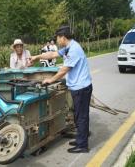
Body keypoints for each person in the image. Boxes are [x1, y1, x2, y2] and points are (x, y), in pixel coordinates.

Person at [30, 25, 92, 153]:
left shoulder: (74, 49)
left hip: (81, 88)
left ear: (63, 37)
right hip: (78, 87)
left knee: (81, 117)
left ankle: (83, 145)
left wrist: (51, 80)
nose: (56, 41)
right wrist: (36, 57)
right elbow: (53, 54)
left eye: (57, 38)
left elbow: (64, 69)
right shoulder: (68, 47)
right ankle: (81, 139)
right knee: (78, 115)